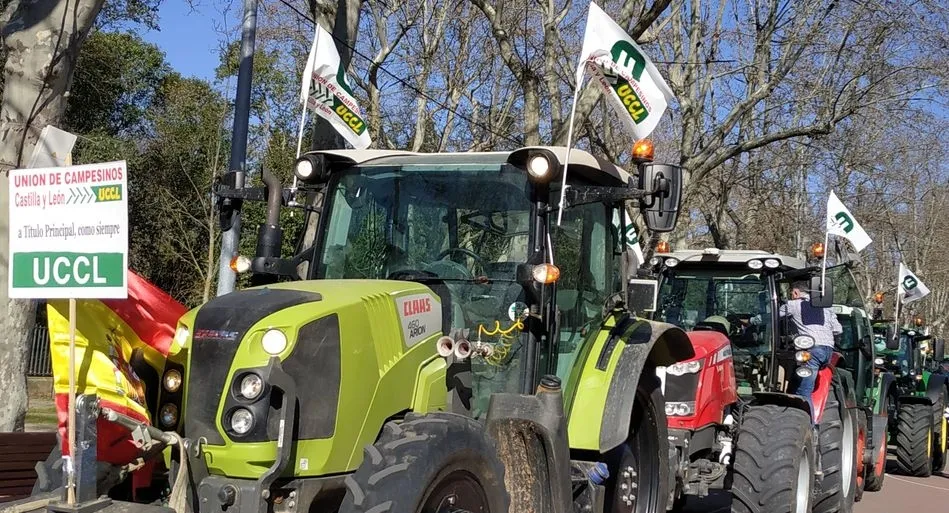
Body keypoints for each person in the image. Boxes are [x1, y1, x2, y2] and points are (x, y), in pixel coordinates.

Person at [781, 280, 843, 418]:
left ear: (796, 292)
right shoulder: (826, 307)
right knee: (800, 383)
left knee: (804, 391)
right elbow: (838, 329)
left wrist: (751, 321)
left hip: (812, 351)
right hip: (827, 351)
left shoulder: (793, 305)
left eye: (792, 293)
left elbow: (772, 317)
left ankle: (807, 423)